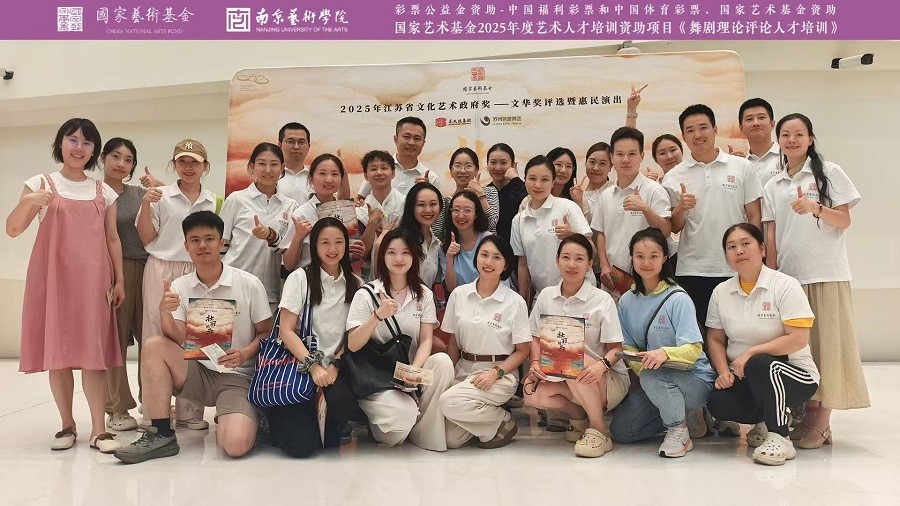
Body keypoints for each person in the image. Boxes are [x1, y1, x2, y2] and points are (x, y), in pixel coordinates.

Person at [114, 211, 273, 464]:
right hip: (197, 371)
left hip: (237, 377)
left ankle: (241, 417)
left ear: (222, 243)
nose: (202, 245)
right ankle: (161, 434)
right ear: (186, 246)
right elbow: (176, 337)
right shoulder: (179, 286)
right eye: (195, 240)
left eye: (209, 239)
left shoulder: (249, 284)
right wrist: (164, 312)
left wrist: (244, 353)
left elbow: (266, 331)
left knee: (235, 445)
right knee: (154, 346)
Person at [7, 118, 125, 453]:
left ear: (94, 151)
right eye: (72, 139)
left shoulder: (104, 191)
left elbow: (112, 238)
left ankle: (99, 430)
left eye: (87, 143)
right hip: (53, 281)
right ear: (60, 143)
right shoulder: (40, 183)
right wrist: (30, 201)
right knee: (58, 354)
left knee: (93, 355)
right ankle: (67, 425)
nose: (78, 147)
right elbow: (13, 229)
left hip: (94, 283)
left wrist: (119, 280)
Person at [762, 113, 869, 449]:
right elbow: (771, 235)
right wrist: (772, 275)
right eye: (786, 134)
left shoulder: (830, 173)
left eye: (799, 134)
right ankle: (809, 417)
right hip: (790, 280)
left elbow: (844, 221)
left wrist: (815, 207)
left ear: (810, 139)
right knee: (801, 352)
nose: (792, 140)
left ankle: (822, 424)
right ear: (779, 140)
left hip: (826, 275)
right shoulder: (773, 184)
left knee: (828, 349)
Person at [705, 224, 820, 466]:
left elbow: (798, 339)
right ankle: (766, 420)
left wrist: (751, 352)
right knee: (718, 402)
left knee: (760, 364)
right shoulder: (720, 292)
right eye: (731, 247)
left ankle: (780, 437)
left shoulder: (785, 285)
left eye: (745, 243)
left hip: (795, 374)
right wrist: (724, 372)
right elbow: (715, 338)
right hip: (746, 376)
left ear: (762, 249)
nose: (739, 251)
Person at [609, 228, 715, 457]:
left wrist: (664, 354)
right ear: (632, 258)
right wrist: (645, 369)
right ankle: (682, 413)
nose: (646, 263)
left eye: (653, 256)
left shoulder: (678, 298)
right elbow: (627, 346)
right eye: (640, 256)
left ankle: (679, 430)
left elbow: (693, 349)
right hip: (654, 379)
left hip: (695, 380)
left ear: (665, 258)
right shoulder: (626, 301)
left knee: (652, 376)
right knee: (622, 431)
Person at [345, 228, 454, 451]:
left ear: (414, 256)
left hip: (410, 376)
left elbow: (426, 340)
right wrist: (377, 316)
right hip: (379, 378)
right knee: (399, 424)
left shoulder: (423, 294)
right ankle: (386, 424)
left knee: (443, 362)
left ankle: (424, 430)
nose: (399, 258)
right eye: (392, 252)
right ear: (382, 256)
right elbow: (353, 344)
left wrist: (414, 369)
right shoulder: (366, 294)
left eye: (405, 252)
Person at [661, 104, 763, 338]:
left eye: (703, 127)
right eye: (690, 130)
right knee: (701, 335)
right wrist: (681, 207)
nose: (698, 135)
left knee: (740, 334)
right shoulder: (674, 176)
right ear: (683, 136)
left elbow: (754, 216)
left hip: (737, 264)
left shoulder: (742, 167)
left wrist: (755, 256)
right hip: (693, 268)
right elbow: (674, 227)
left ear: (715, 129)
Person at [136, 138, 217, 430]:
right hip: (162, 268)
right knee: (155, 333)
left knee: (196, 336)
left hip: (198, 269)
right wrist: (146, 203)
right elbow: (146, 237)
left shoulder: (214, 201)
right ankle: (154, 411)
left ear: (205, 167)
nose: (188, 166)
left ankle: (190, 411)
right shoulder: (161, 196)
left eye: (195, 162)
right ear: (174, 165)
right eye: (182, 161)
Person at [524, 235, 630, 458]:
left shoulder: (601, 300)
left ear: (590, 264)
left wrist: (600, 367)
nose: (572, 264)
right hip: (563, 373)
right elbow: (535, 336)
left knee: (572, 361)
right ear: (557, 260)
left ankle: (599, 430)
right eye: (566, 257)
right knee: (531, 391)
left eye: (579, 259)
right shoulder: (546, 296)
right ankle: (578, 417)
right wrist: (534, 362)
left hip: (605, 377)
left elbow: (617, 350)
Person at [267, 218, 363, 457]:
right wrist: (312, 366)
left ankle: (320, 419)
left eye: (338, 242)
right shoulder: (300, 278)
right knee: (301, 448)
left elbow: (352, 335)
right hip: (298, 364)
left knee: (336, 424)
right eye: (325, 242)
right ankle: (278, 421)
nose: (332, 249)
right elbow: (286, 330)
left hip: (334, 367)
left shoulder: (356, 284)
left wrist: (335, 365)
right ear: (315, 246)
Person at [439, 235, 530, 449]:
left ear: (505, 264)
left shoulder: (514, 302)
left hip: (500, 373)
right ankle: (491, 421)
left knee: (448, 402)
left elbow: (523, 350)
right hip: (464, 369)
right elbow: (453, 342)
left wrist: (495, 373)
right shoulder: (459, 294)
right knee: (451, 439)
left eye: (496, 257)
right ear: (476, 258)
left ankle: (503, 420)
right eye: (484, 255)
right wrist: (451, 375)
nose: (488, 262)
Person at [592, 127, 672, 299]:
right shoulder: (606, 195)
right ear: (612, 157)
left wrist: (645, 209)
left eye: (632, 154)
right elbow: (601, 233)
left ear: (642, 155)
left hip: (647, 276)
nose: (626, 160)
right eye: (620, 154)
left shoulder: (654, 190)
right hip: (613, 279)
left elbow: (666, 231)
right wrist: (604, 266)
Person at [100, 137, 146, 432]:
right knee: (114, 340)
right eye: (115, 156)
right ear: (102, 158)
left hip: (146, 267)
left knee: (150, 337)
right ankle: (117, 407)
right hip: (110, 272)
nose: (121, 164)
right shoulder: (94, 192)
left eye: (128, 160)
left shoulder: (140, 194)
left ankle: (152, 400)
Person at [220, 143, 298, 308]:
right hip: (232, 286)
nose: (268, 170)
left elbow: (287, 251)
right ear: (252, 167)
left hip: (268, 291)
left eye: (274, 164)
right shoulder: (236, 199)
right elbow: (221, 244)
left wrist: (271, 235)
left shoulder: (290, 206)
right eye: (262, 164)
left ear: (282, 168)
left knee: (265, 326)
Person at [511, 155, 593, 307]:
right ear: (525, 180)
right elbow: (523, 265)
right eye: (532, 178)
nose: (538, 185)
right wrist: (523, 303)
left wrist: (573, 235)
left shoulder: (567, 207)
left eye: (545, 179)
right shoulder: (519, 220)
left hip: (579, 294)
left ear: (553, 182)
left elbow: (591, 249)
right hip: (543, 297)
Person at [283, 154, 365, 272]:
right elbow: (288, 265)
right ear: (311, 178)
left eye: (335, 174)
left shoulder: (345, 211)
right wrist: (298, 237)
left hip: (341, 279)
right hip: (310, 279)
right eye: (322, 173)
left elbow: (346, 258)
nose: (329, 179)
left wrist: (355, 253)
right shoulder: (301, 214)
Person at [355, 116, 442, 201]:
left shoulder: (431, 178)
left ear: (423, 143)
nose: (411, 143)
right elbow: (360, 200)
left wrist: (428, 190)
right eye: (406, 137)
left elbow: (439, 209)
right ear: (396, 139)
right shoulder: (379, 171)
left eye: (417, 138)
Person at [431, 147, 498, 239]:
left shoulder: (490, 192)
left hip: (485, 246)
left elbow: (493, 226)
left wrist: (481, 196)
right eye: (457, 166)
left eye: (468, 166)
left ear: (476, 170)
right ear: (451, 171)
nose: (462, 170)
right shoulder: (445, 202)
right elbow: (437, 235)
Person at [276, 122, 350, 205]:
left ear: (308, 146)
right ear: (280, 145)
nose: (296, 147)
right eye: (290, 141)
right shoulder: (271, 176)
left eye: (301, 142)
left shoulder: (317, 176)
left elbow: (342, 205)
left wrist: (344, 173)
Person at [394, 182, 445, 288]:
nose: (428, 210)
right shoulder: (401, 240)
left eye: (433, 204)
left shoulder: (437, 244)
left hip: (425, 298)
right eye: (421, 205)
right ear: (411, 207)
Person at [440, 190, 492, 292]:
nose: (461, 215)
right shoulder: (445, 247)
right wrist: (449, 258)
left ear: (476, 214)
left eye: (467, 210)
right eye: (456, 210)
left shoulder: (489, 241)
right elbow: (451, 289)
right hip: (460, 299)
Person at [356, 150, 405, 250]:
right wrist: (371, 224)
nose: (379, 173)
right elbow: (360, 253)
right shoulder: (360, 210)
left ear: (393, 173)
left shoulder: (406, 203)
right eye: (373, 169)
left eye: (384, 168)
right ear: (365, 175)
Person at [484, 143, 527, 242]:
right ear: (487, 164)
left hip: (518, 247)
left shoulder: (520, 188)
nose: (497, 168)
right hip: (491, 247)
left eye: (503, 163)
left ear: (513, 165)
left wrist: (515, 179)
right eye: (493, 162)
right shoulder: (484, 192)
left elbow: (530, 204)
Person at [739, 98, 782, 186]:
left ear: (772, 124)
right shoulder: (740, 162)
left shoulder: (787, 156)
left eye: (761, 117)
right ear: (741, 128)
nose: (756, 123)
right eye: (749, 119)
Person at [577, 142, 614, 224]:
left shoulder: (616, 190)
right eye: (592, 162)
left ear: (611, 166)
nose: (596, 168)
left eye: (602, 163)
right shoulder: (578, 196)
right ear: (585, 162)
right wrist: (579, 202)